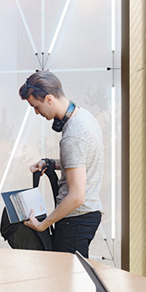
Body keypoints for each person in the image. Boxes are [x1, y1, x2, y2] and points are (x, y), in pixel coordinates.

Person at [19, 70, 104, 254]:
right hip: (85, 215)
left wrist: (43, 224)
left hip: (75, 219)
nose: (36, 112)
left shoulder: (73, 135)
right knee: (72, 278)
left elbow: (76, 196)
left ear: (49, 99)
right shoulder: (85, 118)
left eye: (36, 106)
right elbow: (81, 161)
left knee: (68, 280)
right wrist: (50, 163)